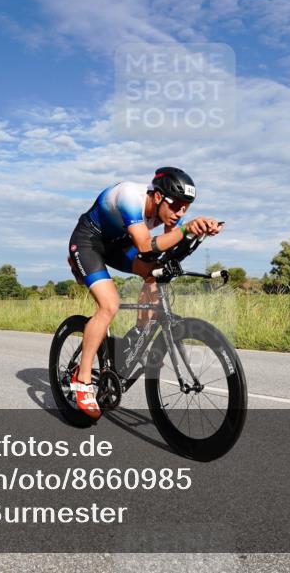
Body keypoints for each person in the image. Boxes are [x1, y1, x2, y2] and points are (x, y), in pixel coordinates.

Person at [66, 167, 221, 418]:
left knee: (156, 272)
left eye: (186, 208)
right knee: (109, 305)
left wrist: (200, 231)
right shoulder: (129, 196)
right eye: (176, 205)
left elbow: (169, 250)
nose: (180, 212)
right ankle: (83, 380)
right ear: (158, 196)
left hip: (119, 245)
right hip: (89, 242)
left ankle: (136, 337)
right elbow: (145, 244)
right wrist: (186, 229)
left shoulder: (171, 214)